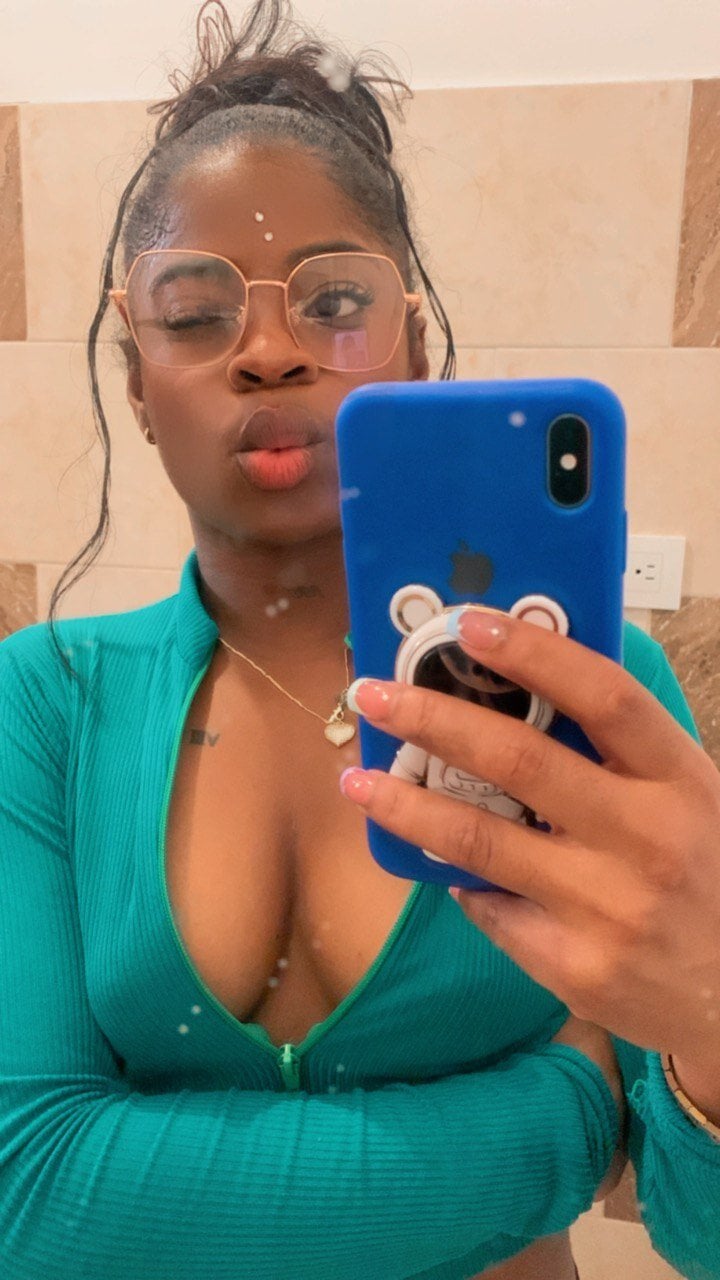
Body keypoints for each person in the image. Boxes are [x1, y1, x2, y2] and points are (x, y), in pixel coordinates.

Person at [0, 2, 718, 1277]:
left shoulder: (600, 691)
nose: (270, 352)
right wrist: (573, 1114)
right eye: (194, 312)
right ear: (137, 381)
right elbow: (31, 1191)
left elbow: (699, 1226)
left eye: (335, 301)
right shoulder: (43, 703)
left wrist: (713, 1023)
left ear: (414, 350)